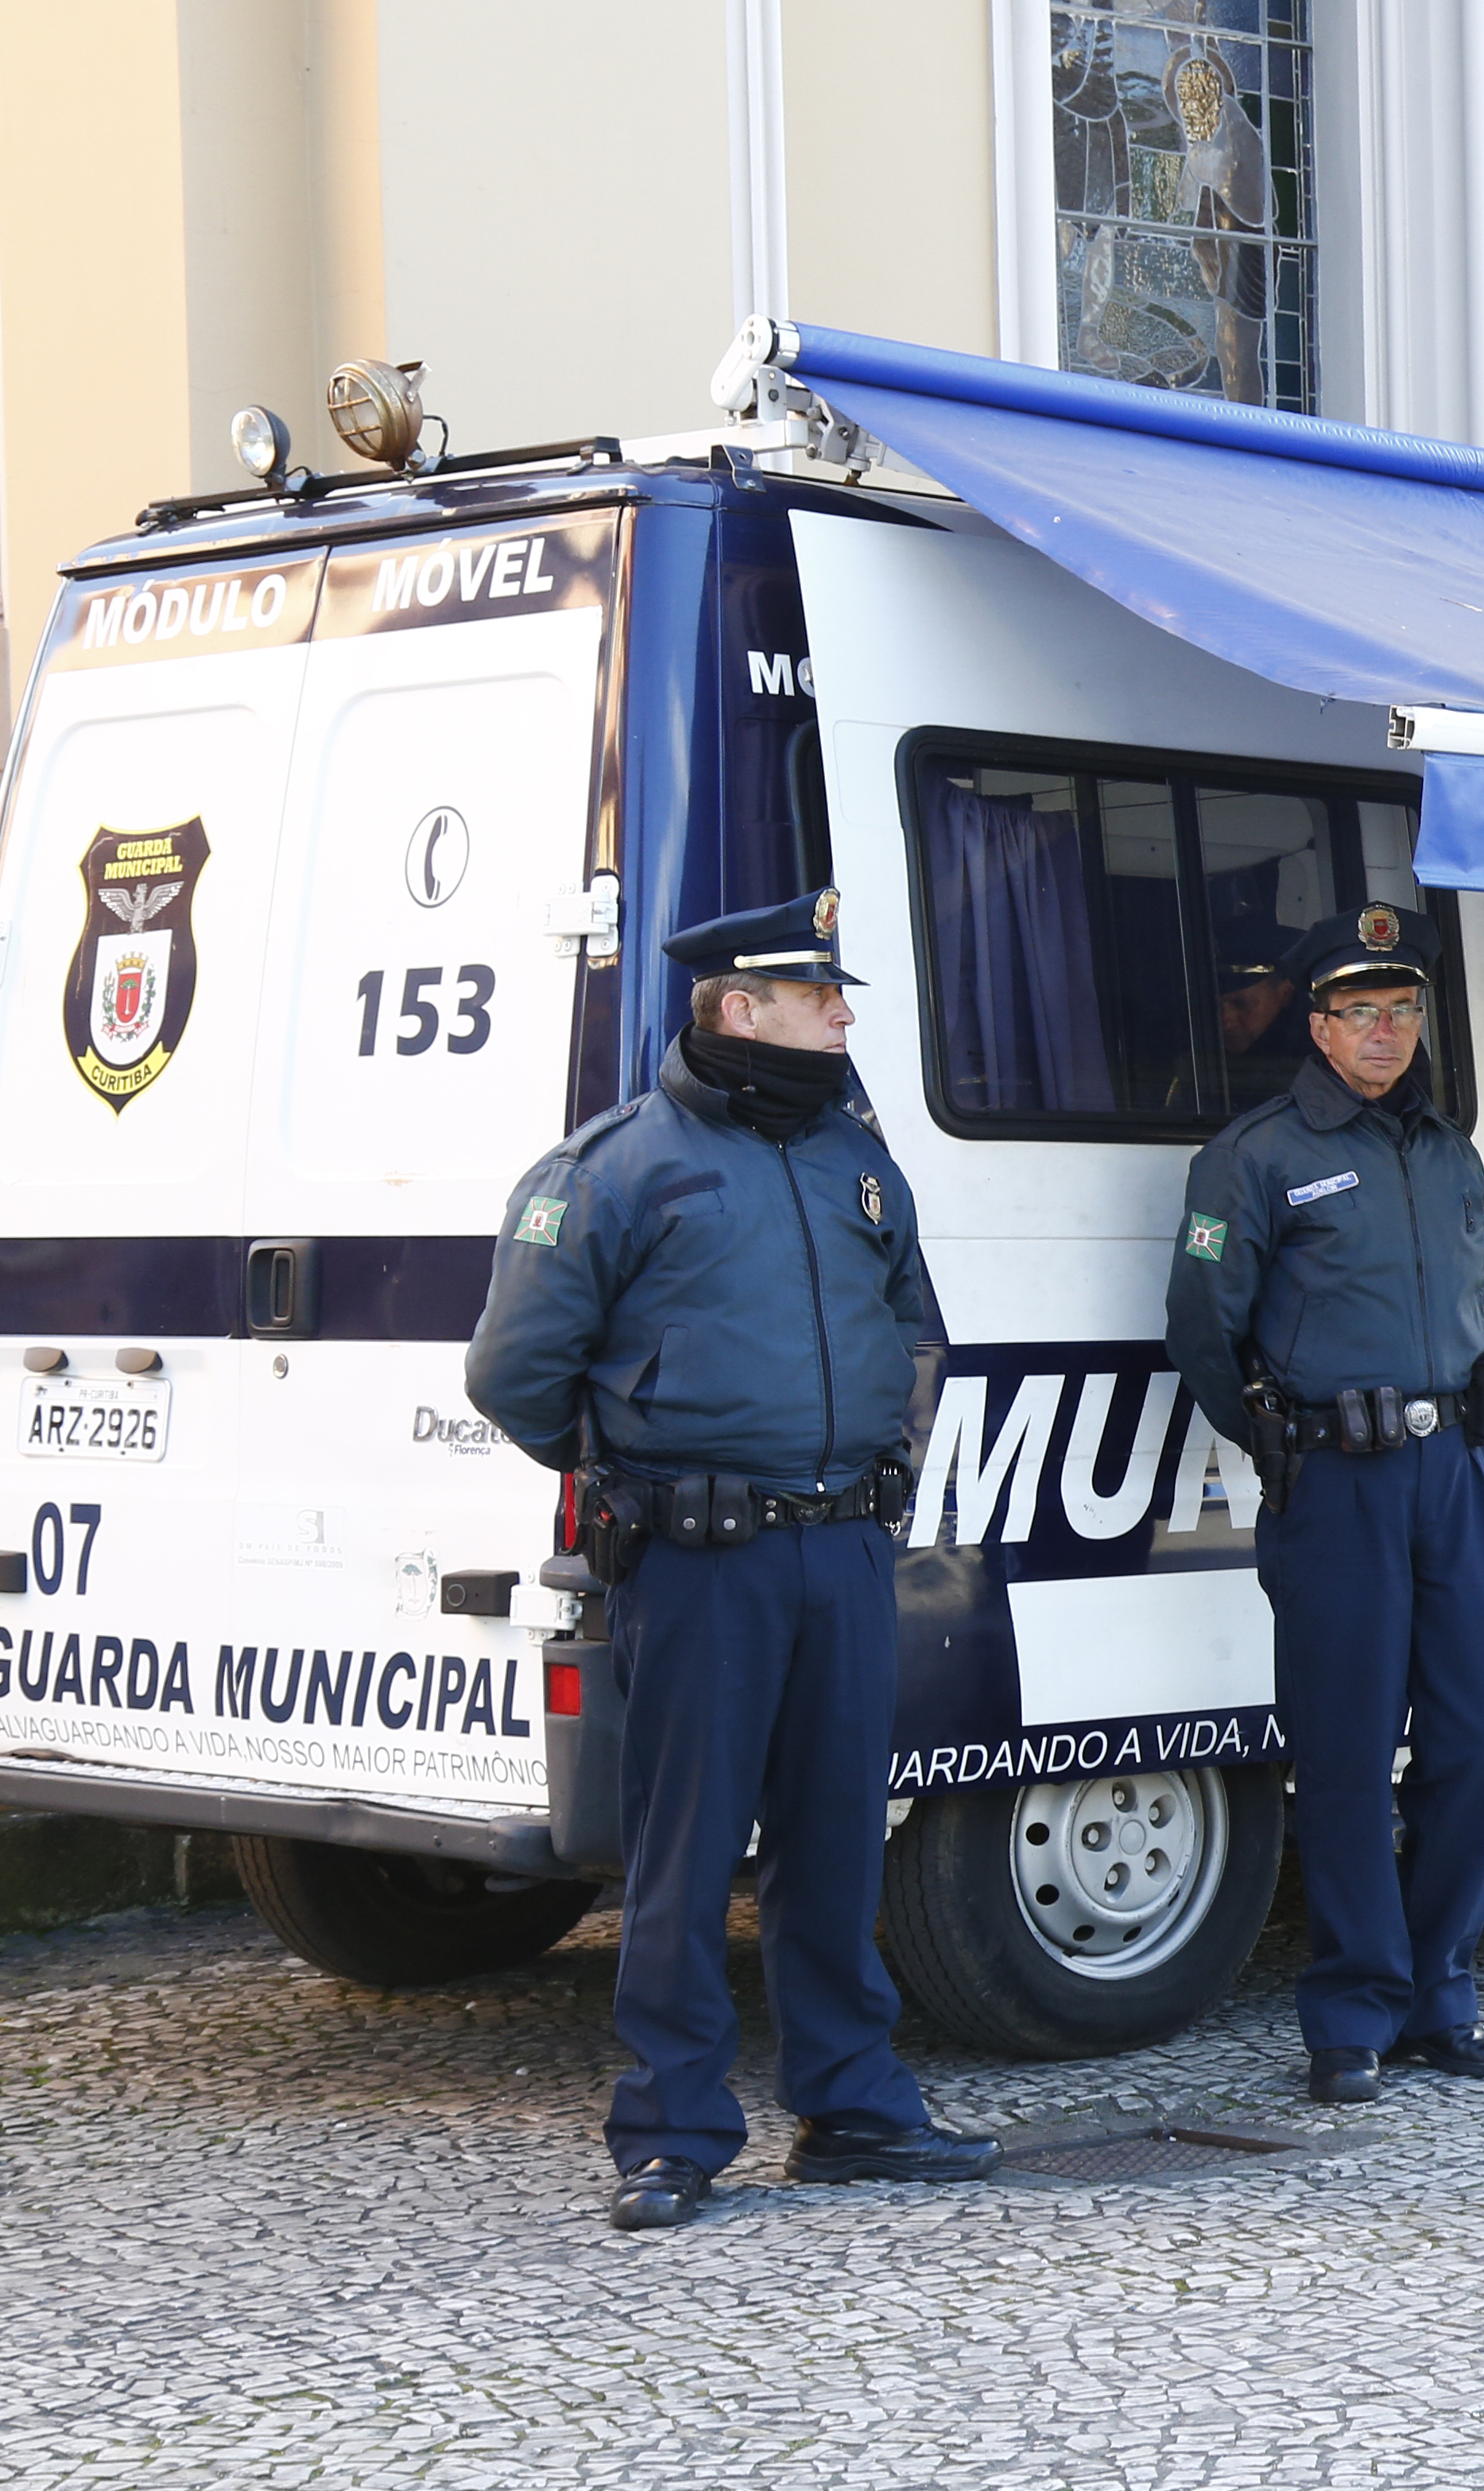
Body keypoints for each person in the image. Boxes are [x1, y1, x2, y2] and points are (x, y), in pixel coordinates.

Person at [465, 890, 997, 2230]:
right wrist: (643, 1472)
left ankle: (854, 2108)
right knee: (686, 1854)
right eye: (820, 998)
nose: (843, 1017)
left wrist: (881, 1463)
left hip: (842, 1550)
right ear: (740, 1007)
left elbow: (914, 1330)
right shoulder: (614, 1167)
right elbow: (514, 1372)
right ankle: (671, 2133)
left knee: (836, 1844)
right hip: (700, 1562)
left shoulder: (854, 1159)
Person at [1163, 901, 1484, 2105]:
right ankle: (1355, 2009)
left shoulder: (1450, 1151)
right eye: (1359, 1011)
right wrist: (1285, 1441)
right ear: (1316, 1027)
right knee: (1348, 1751)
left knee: (1471, 1740)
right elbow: (1202, 1328)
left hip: (1453, 1474)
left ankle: (1442, 1998)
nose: (1385, 1031)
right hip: (1337, 1482)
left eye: (1402, 1009)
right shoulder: (1256, 1157)